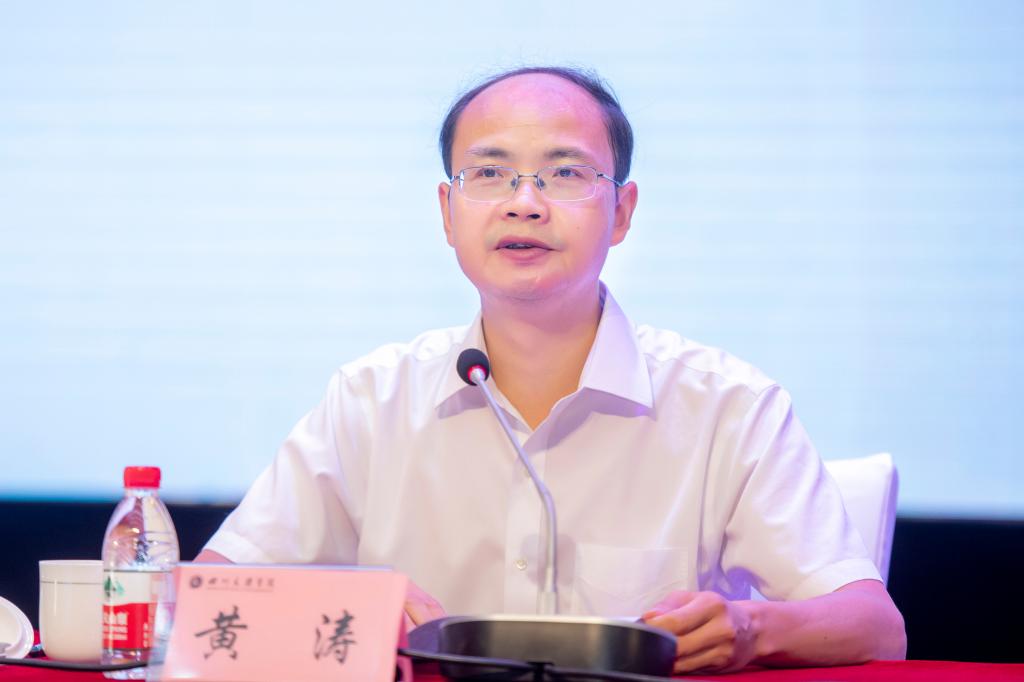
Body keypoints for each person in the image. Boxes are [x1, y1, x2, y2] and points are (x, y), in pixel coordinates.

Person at [197, 66, 906, 673]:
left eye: (566, 173)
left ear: (621, 212)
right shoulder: (370, 400)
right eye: (489, 173)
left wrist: (751, 628)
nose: (524, 203)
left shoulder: (729, 406)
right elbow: (206, 600)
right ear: (448, 212)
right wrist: (353, 609)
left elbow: (877, 628)